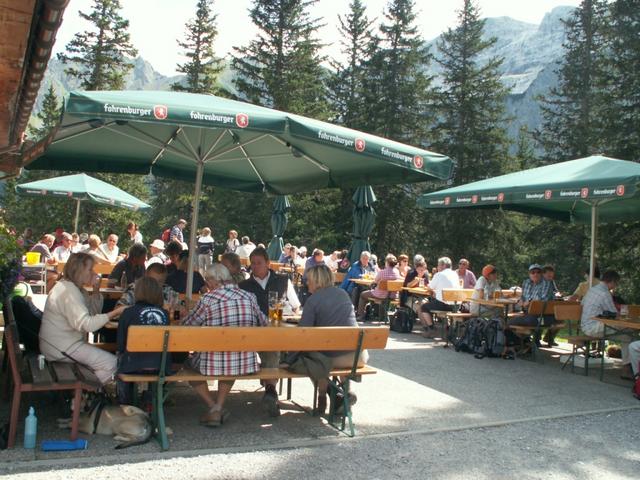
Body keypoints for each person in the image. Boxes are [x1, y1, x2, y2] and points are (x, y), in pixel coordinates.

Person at [182, 264, 267, 427]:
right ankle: (218, 406)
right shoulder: (249, 296)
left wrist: (186, 315)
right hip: (244, 362)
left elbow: (187, 326)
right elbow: (264, 323)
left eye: (207, 281)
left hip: (211, 364)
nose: (207, 285)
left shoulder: (208, 299)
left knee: (186, 365)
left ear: (214, 281)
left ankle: (212, 407)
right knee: (231, 360)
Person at [283, 264, 367, 414]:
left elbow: (302, 335)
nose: (306, 282)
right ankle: (344, 393)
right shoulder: (343, 293)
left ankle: (326, 396)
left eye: (308, 280)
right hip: (358, 356)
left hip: (336, 358)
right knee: (327, 351)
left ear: (317, 280)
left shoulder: (313, 300)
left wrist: (289, 360)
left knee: (311, 359)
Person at [39, 252, 127, 385]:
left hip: (62, 345)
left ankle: (83, 392)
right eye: (90, 269)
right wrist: (116, 312)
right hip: (61, 349)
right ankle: (83, 392)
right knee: (113, 364)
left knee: (108, 362)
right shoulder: (69, 292)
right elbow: (88, 325)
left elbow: (92, 314)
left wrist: (96, 290)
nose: (94, 273)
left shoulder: (74, 288)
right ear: (78, 270)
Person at [239, 247, 300, 416]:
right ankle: (271, 390)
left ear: (268, 263)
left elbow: (296, 306)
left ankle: (270, 390)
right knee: (272, 349)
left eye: (259, 263)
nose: (255, 266)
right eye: (252, 263)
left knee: (273, 347)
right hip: (253, 332)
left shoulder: (282, 280)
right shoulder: (244, 285)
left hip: (279, 329)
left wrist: (288, 313)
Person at [116, 276, 169, 404]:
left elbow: (121, 345)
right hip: (160, 366)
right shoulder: (164, 314)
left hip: (133, 365)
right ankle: (150, 398)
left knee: (120, 358)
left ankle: (125, 402)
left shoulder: (128, 312)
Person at [580, 270, 634, 379]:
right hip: (594, 327)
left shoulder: (592, 289)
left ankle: (628, 367)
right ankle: (627, 368)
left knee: (627, 335)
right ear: (612, 281)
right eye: (616, 283)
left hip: (585, 325)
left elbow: (582, 304)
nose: (616, 286)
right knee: (629, 333)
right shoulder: (605, 293)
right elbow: (615, 314)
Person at [508, 263, 556, 345]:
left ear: (541, 274)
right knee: (509, 321)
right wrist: (521, 301)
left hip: (543, 317)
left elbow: (542, 301)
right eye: (533, 272)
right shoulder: (526, 282)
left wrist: (527, 303)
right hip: (529, 314)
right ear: (529, 274)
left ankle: (520, 344)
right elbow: (523, 297)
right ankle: (523, 343)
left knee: (509, 323)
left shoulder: (546, 283)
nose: (535, 274)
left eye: (538, 272)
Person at [419, 256, 460, 337]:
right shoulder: (455, 274)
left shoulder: (439, 274)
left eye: (438, 265)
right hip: (456, 305)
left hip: (444, 304)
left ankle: (431, 329)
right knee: (433, 302)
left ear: (443, 265)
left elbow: (430, 287)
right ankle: (447, 327)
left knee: (424, 307)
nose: (437, 267)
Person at [356, 254, 402, 320]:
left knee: (363, 294)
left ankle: (361, 315)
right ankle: (376, 313)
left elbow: (375, 282)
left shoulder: (382, 272)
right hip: (393, 295)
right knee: (371, 293)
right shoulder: (397, 272)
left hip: (381, 295)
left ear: (387, 263)